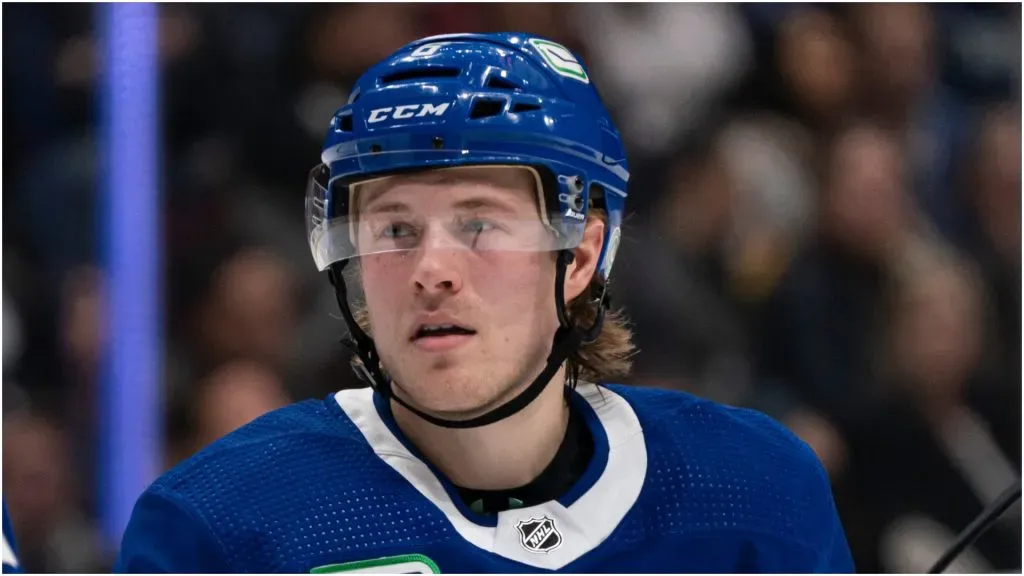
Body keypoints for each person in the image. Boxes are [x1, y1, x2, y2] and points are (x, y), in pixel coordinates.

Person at [115, 33, 854, 573]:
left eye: (478, 223)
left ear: (581, 255)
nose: (430, 270)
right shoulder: (220, 528)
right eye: (394, 229)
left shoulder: (757, 492)